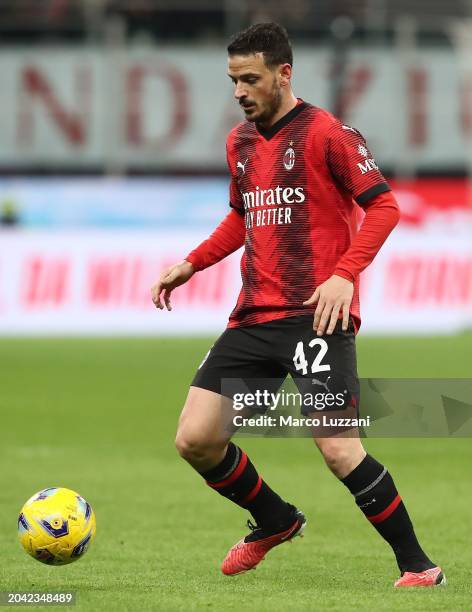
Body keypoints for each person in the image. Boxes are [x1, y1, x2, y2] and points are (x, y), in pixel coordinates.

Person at [151, 22, 445, 588]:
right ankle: (274, 519)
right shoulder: (239, 142)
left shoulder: (328, 133)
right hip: (254, 314)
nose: (239, 90)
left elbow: (383, 208)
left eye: (250, 78)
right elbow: (244, 214)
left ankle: (418, 565)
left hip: (317, 315)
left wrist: (343, 275)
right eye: (233, 79)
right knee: (196, 439)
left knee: (337, 447)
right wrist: (194, 262)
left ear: (284, 74)